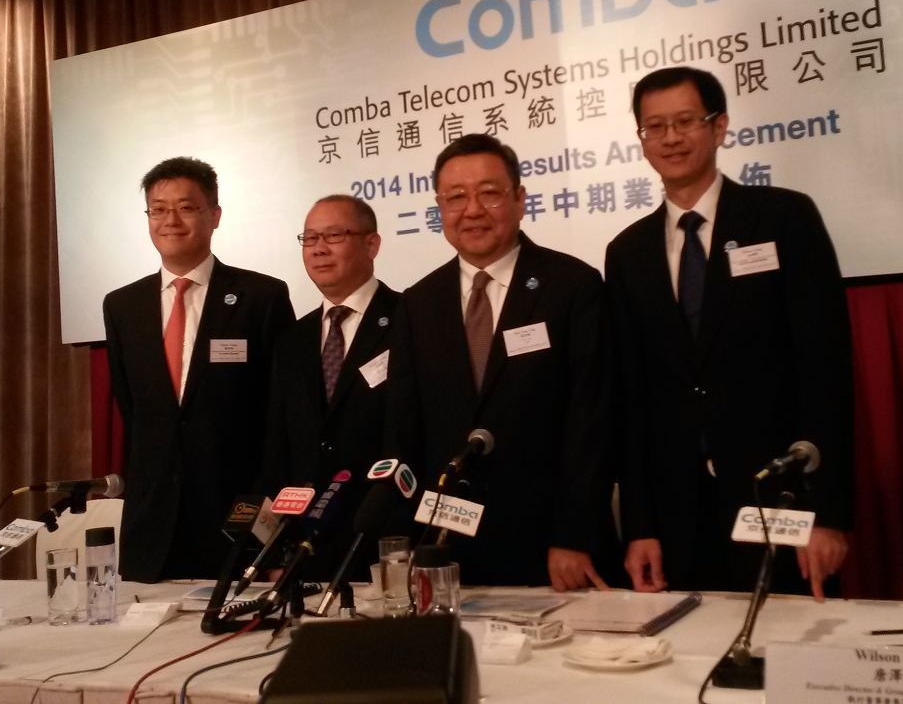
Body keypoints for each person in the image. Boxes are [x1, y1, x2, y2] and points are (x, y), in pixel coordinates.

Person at [605, 66, 854, 600]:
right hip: (677, 514)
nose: (671, 138)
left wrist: (827, 512)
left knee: (789, 641)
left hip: (780, 499)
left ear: (719, 127)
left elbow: (825, 370)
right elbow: (632, 398)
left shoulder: (783, 218)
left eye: (685, 121)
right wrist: (640, 525)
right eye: (655, 127)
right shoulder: (627, 253)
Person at [388, 133, 613, 591]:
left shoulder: (572, 286)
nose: (472, 210)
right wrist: (412, 543)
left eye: (489, 193)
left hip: (552, 547)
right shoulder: (418, 302)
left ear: (519, 199)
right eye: (456, 197)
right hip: (447, 549)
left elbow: (592, 420)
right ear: (439, 208)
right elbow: (405, 429)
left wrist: (573, 535)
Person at [103, 156, 294, 582]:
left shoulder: (261, 296)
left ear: (214, 215)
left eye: (186, 207)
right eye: (158, 209)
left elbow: (280, 413)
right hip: (153, 527)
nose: (170, 220)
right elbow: (135, 410)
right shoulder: (122, 306)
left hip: (234, 518)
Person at [259, 195, 400, 580]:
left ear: (371, 244)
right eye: (310, 238)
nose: (319, 248)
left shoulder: (409, 320)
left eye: (334, 235)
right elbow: (278, 449)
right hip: (306, 548)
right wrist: (273, 551)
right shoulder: (292, 340)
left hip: (385, 543)